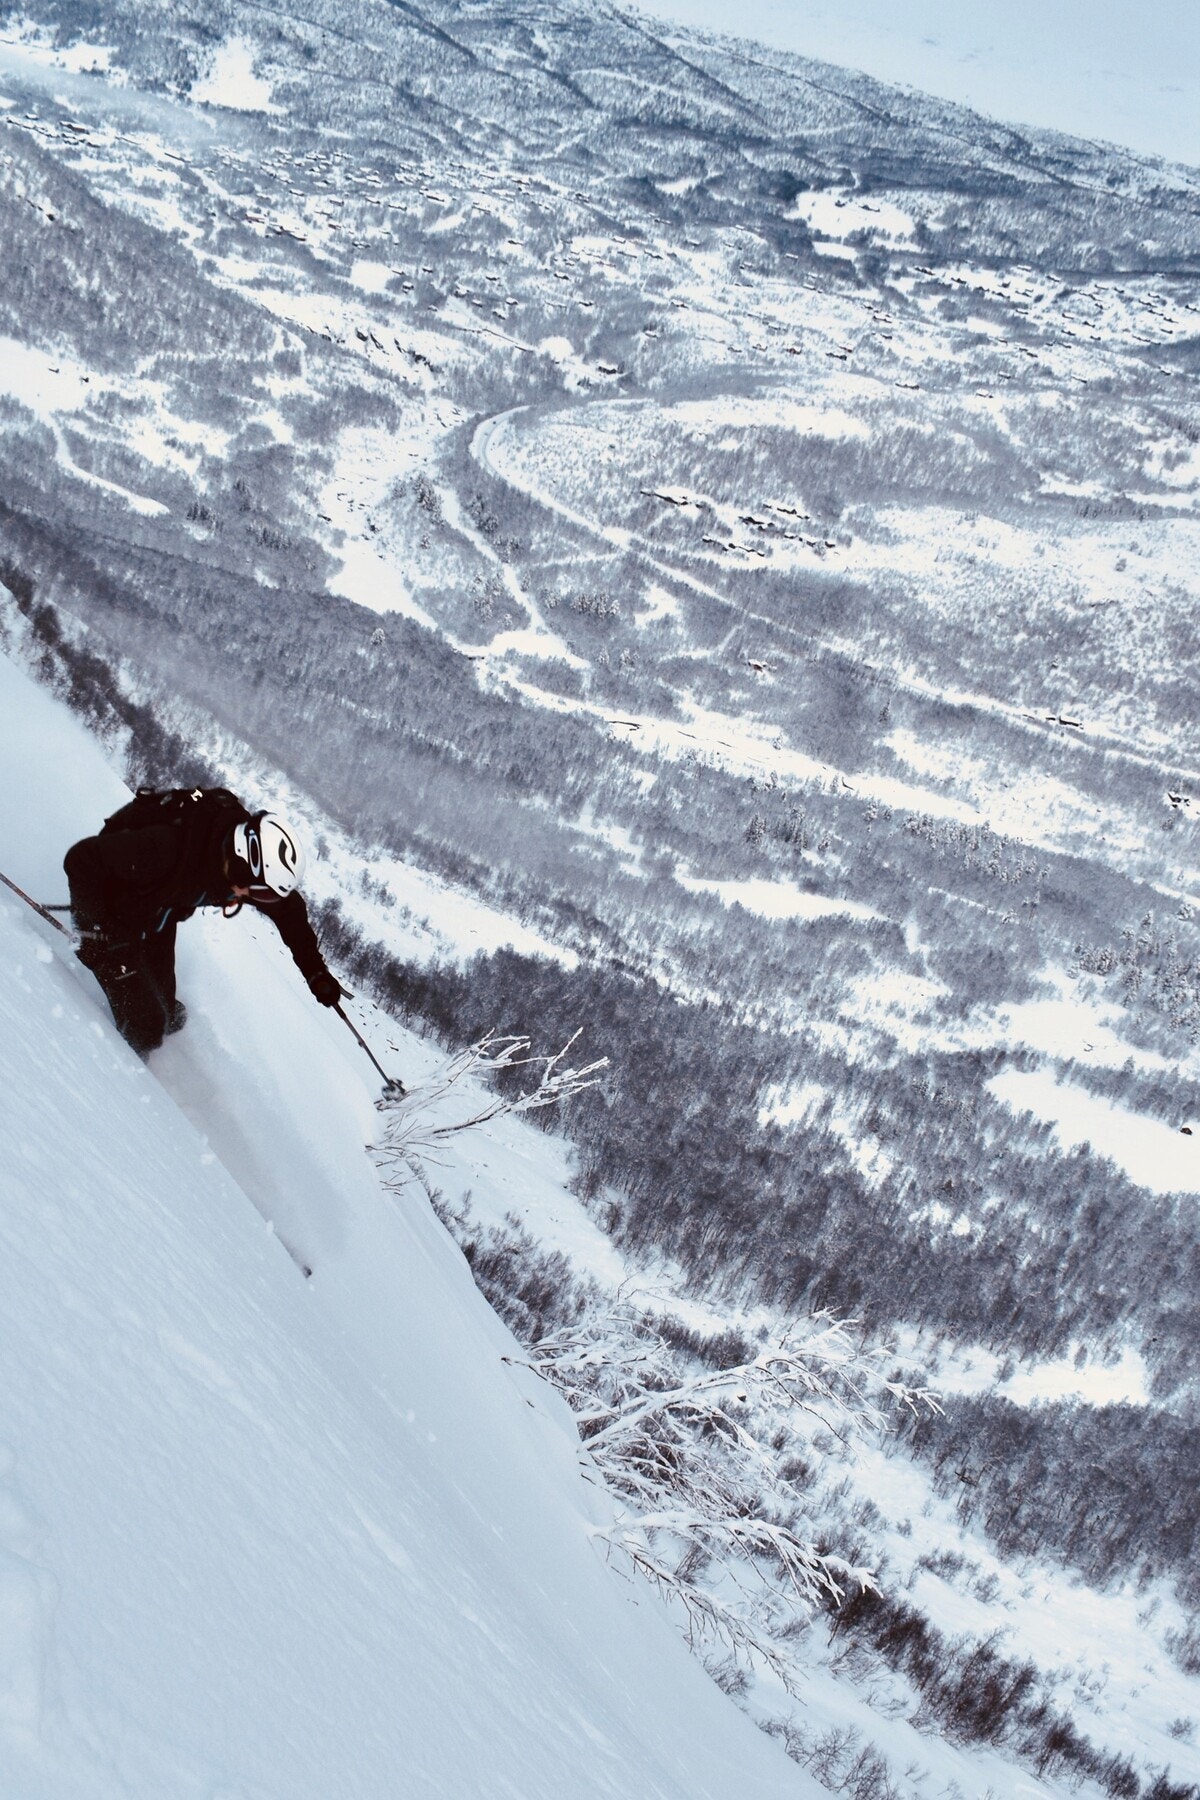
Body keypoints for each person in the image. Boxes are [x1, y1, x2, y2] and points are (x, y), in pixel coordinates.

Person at [64, 786, 346, 1055]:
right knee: (146, 1027)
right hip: (112, 914)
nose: (258, 898)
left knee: (168, 1014)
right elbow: (81, 859)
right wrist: (95, 930)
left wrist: (315, 972)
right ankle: (110, 1075)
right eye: (259, 891)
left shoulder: (237, 865)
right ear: (240, 865)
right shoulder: (165, 850)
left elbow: (289, 911)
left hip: (157, 913)